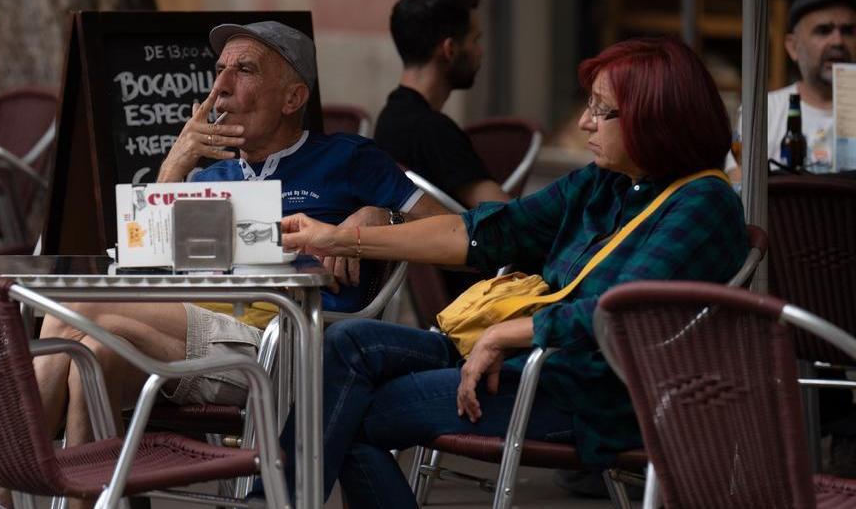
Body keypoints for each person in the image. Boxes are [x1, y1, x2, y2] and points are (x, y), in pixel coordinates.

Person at [0, 21, 446, 508]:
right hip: (197, 337)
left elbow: (450, 227)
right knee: (91, 357)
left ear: (292, 98)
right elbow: (143, 270)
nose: (220, 85)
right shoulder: (212, 175)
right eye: (220, 69)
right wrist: (175, 163)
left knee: (75, 309)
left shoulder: (348, 157)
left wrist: (380, 218)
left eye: (244, 70)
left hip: (284, 344)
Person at [278, 37, 748, 506]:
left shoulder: (703, 203)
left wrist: (509, 334)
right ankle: (275, 497)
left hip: (587, 390)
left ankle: (273, 499)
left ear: (655, 118)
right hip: (524, 359)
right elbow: (487, 232)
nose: (584, 122)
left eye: (602, 110)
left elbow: (620, 310)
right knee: (348, 342)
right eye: (589, 105)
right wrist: (340, 239)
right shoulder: (607, 182)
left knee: (346, 414)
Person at [374, 0, 511, 207]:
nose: (480, 51)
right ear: (450, 49)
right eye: (475, 40)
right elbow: (509, 217)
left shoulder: (388, 118)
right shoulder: (434, 131)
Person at [727, 0, 856, 178]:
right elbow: (738, 183)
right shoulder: (762, 113)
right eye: (823, 30)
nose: (838, 41)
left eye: (848, 31)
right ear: (793, 47)